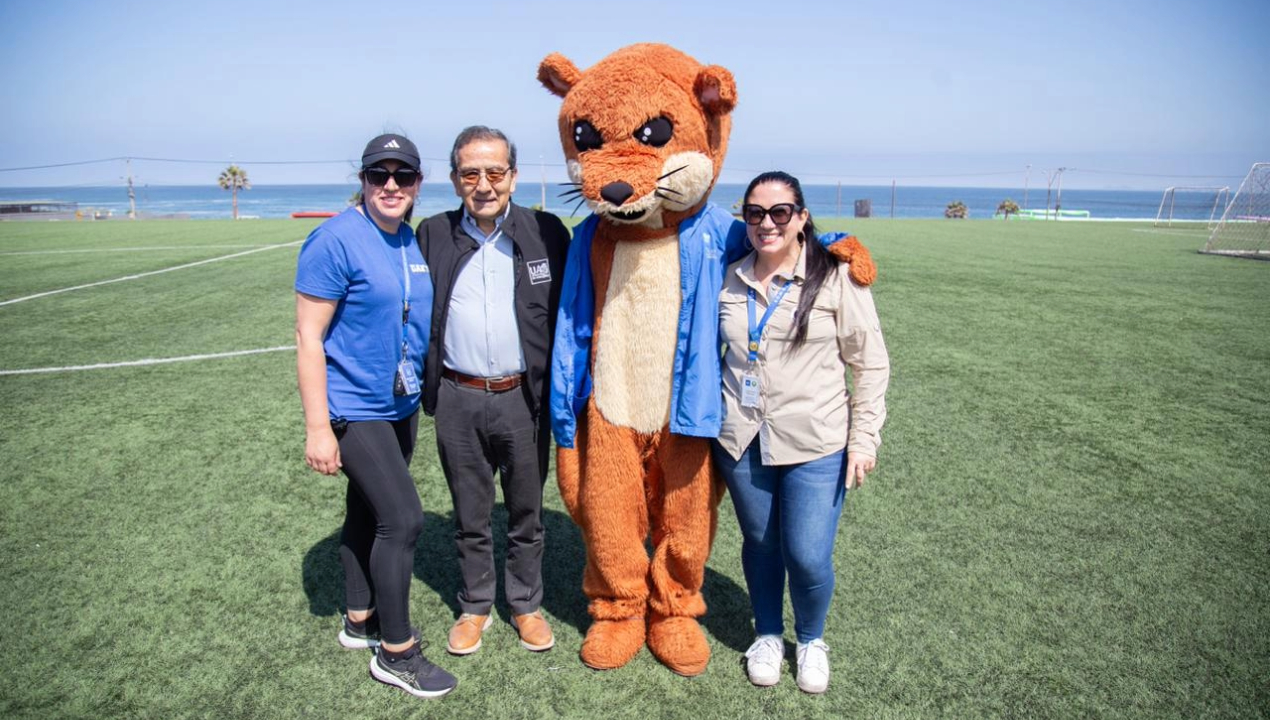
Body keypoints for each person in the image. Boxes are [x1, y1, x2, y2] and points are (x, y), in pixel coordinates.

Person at [712, 171, 890, 694]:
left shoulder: (834, 276)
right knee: (760, 543)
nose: (766, 223)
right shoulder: (729, 276)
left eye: (780, 212)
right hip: (742, 439)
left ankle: (811, 639)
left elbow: (871, 363)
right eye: (755, 213)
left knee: (808, 554)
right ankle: (768, 634)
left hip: (817, 442)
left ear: (801, 217)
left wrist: (864, 439)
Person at [295, 133, 457, 699]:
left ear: (417, 183)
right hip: (353, 407)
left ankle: (359, 618)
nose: (391, 185)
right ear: (362, 180)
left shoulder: (408, 238)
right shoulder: (334, 240)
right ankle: (396, 652)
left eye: (403, 176)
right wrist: (319, 427)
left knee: (366, 510)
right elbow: (308, 338)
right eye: (378, 175)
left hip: (399, 405)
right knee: (404, 519)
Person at [415, 126, 570, 656]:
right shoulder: (432, 234)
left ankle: (525, 605)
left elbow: (569, 314)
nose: (484, 184)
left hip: (523, 399)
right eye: (471, 174)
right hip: (457, 397)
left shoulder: (546, 232)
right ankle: (475, 605)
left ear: (513, 176)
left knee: (527, 512)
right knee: (470, 514)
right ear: (455, 179)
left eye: (495, 172)